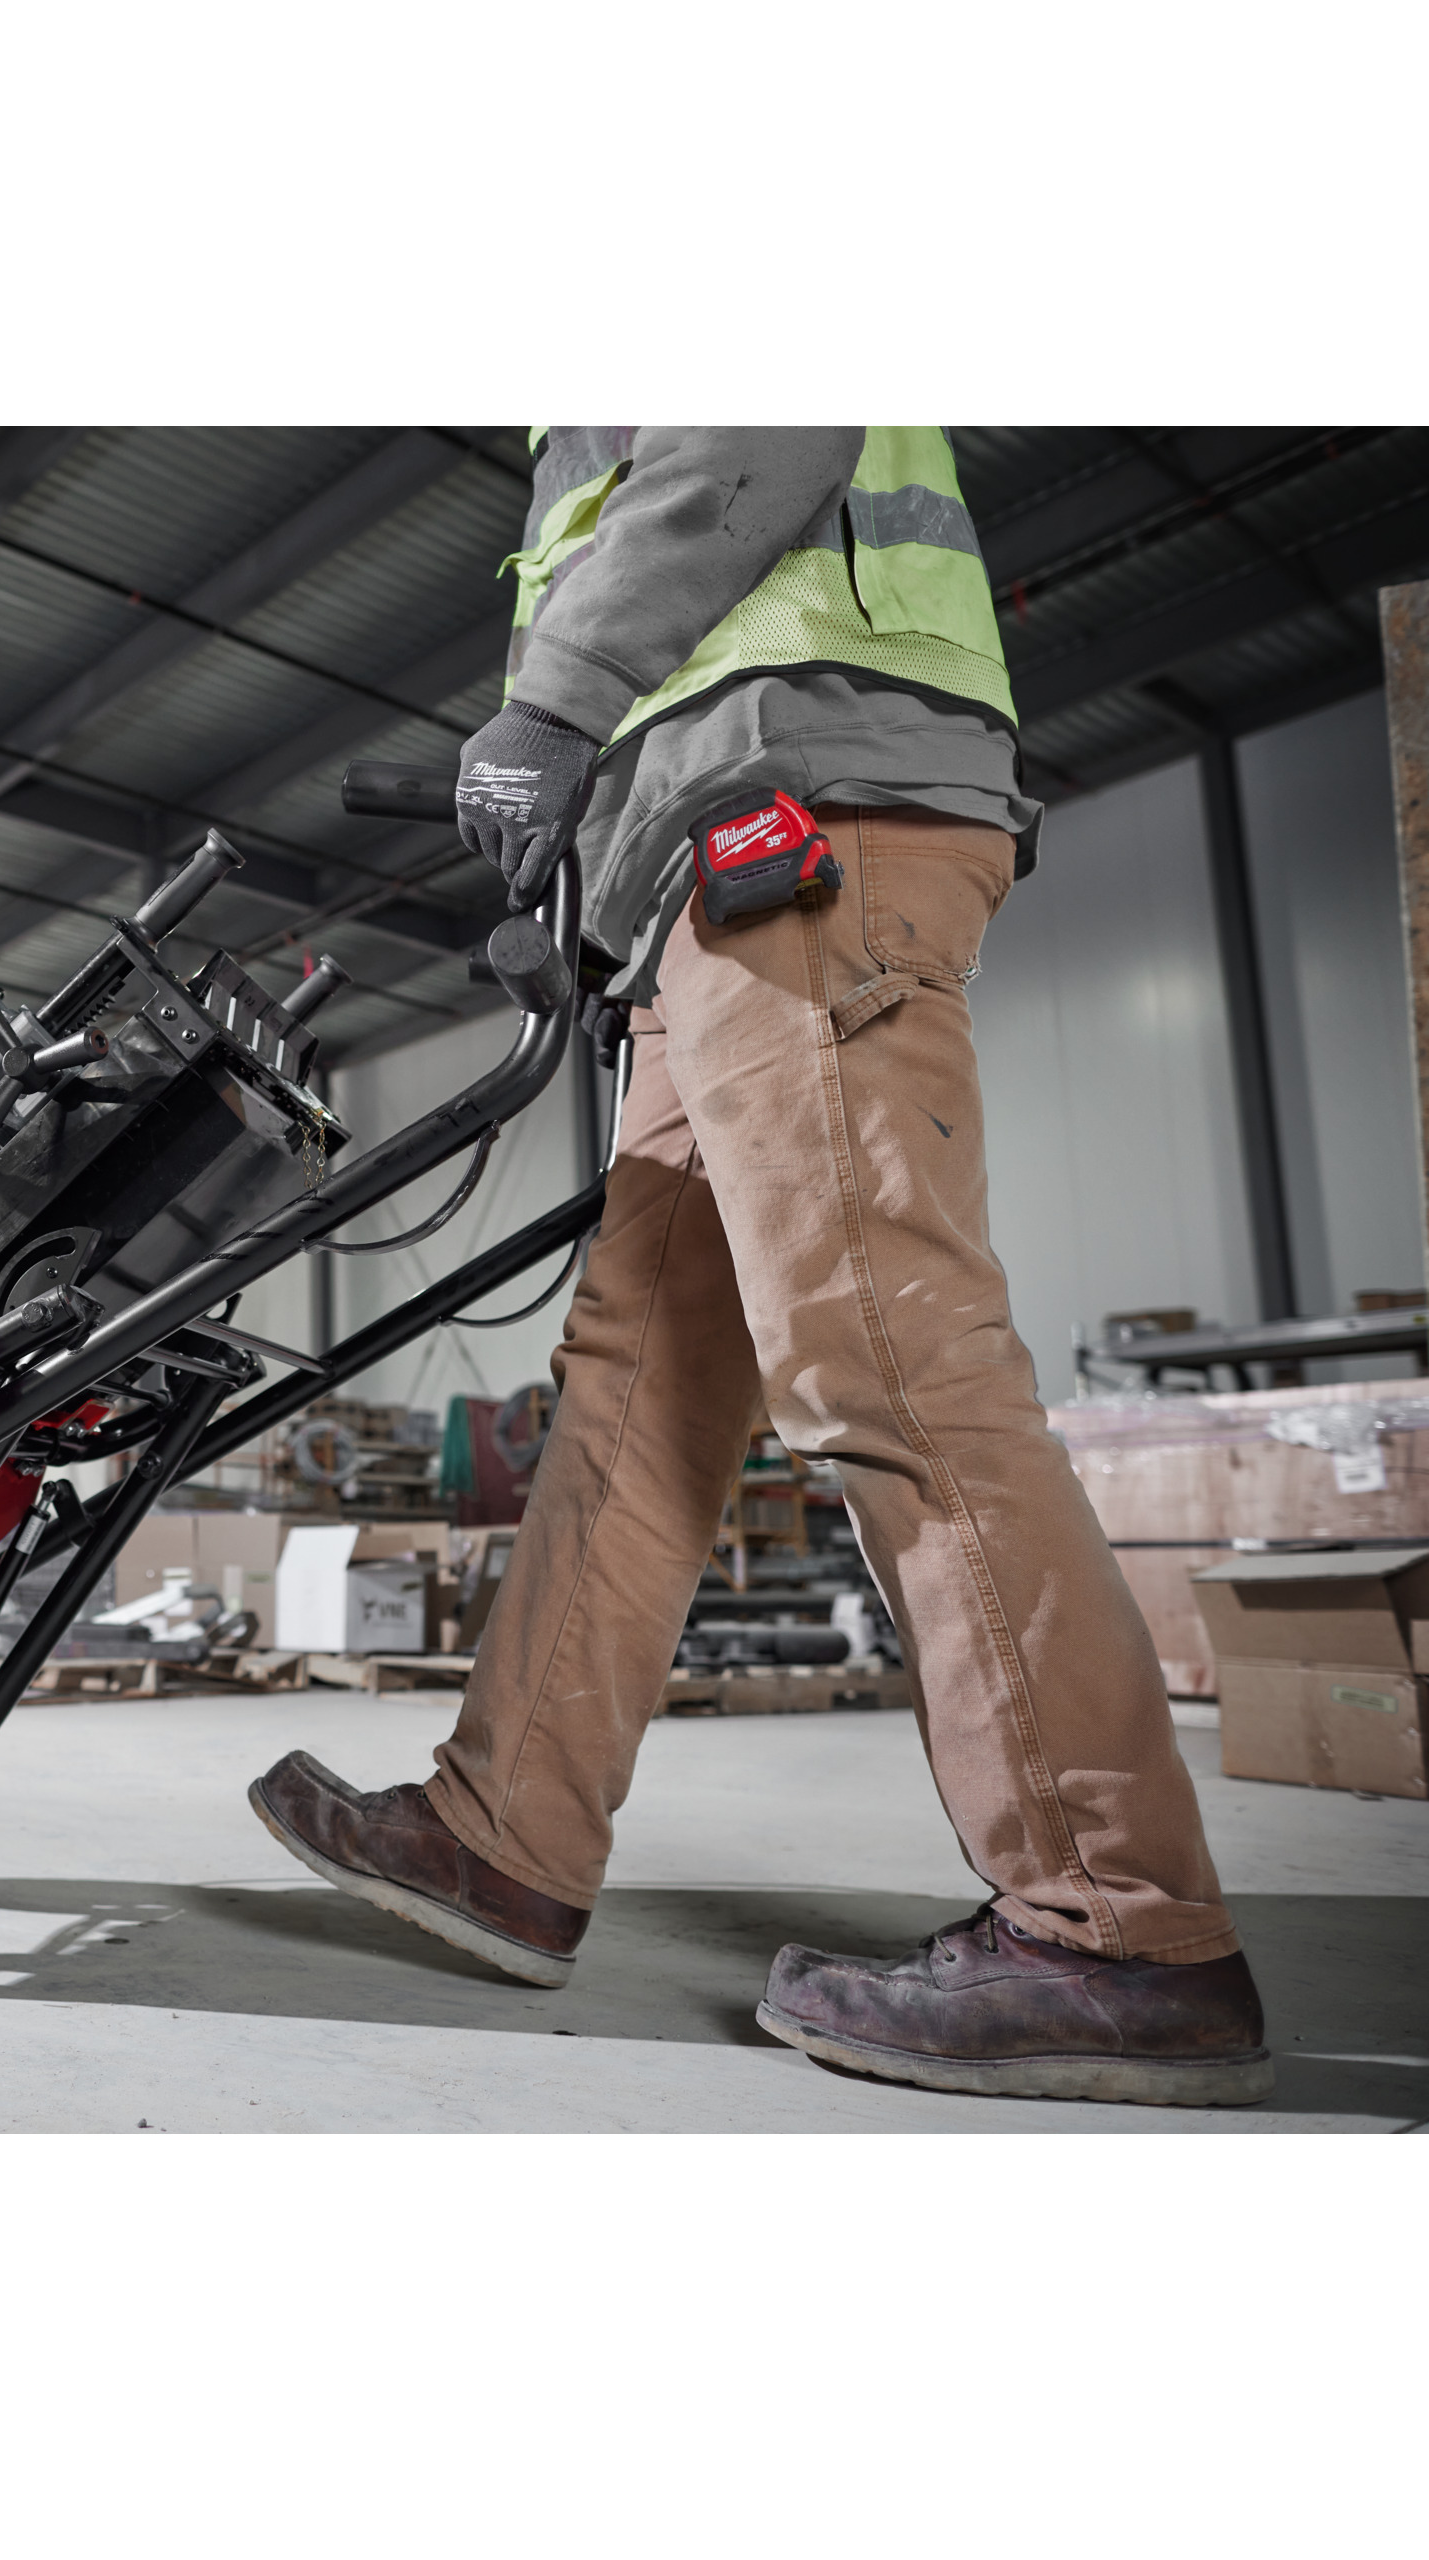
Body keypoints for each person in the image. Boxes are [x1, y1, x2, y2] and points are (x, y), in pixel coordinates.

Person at [249, 428, 1273, 2108]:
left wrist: (556, 700)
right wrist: (595, 875)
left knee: (888, 1353)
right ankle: (506, 1834)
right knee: (638, 1392)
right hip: (696, 872)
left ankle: (1117, 1925)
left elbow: (759, 428)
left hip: (807, 811)